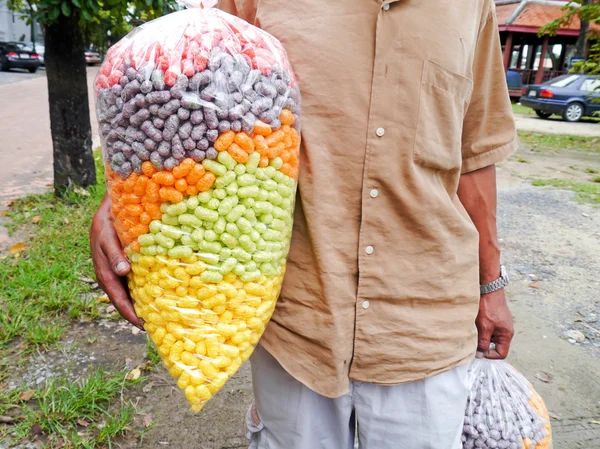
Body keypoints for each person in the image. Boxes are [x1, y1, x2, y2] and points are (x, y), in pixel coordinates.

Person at [90, 0, 517, 447]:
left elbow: (476, 153)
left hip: (423, 318)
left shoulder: (473, 6)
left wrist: (492, 285)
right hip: (297, 316)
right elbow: (183, 104)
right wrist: (118, 202)